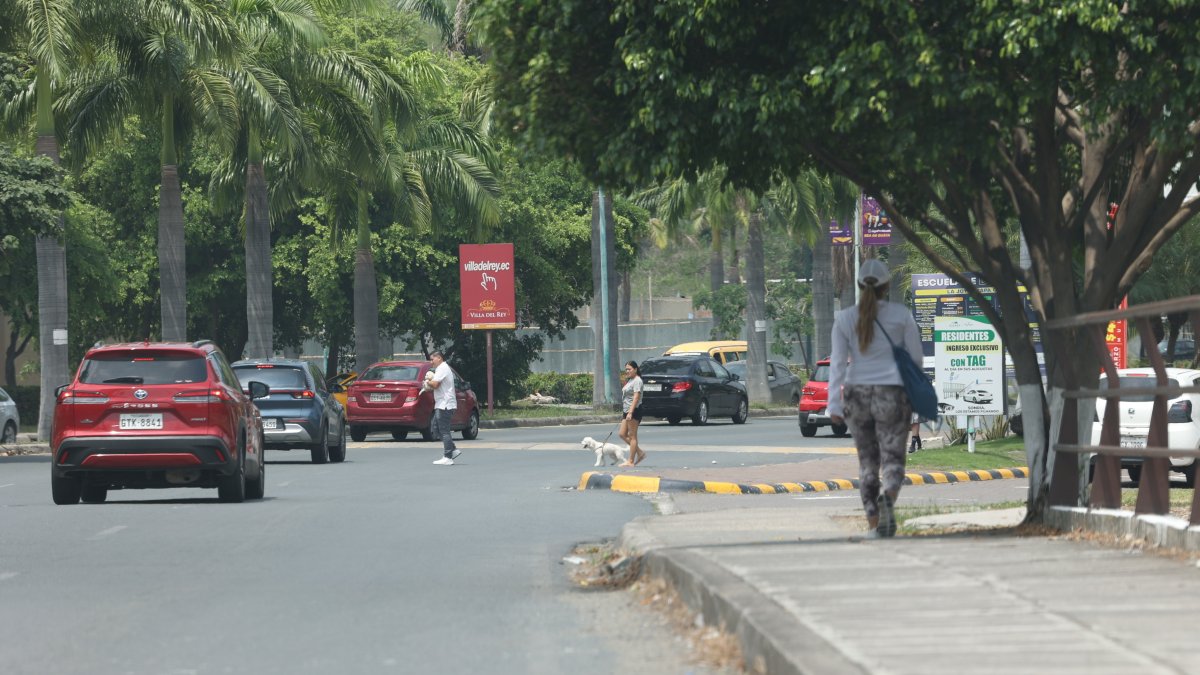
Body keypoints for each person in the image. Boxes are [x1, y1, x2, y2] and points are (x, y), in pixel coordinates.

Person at [827, 258, 923, 537]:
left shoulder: (844, 319)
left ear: (859, 286)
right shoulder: (902, 316)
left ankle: (872, 523)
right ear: (886, 286)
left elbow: (837, 365)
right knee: (893, 459)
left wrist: (833, 405)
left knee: (868, 462)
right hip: (892, 394)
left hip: (857, 395)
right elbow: (916, 360)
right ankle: (889, 496)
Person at [427, 351, 461, 466]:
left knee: (444, 430)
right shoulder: (441, 368)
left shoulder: (442, 368)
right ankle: (453, 450)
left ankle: (448, 457)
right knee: (436, 429)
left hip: (445, 404)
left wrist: (427, 382)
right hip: (441, 403)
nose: (431, 362)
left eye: (432, 359)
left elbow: (435, 384)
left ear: (439, 358)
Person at [618, 361, 645, 466]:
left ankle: (630, 461)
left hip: (634, 410)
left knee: (632, 436)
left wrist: (630, 412)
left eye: (629, 369)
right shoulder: (630, 380)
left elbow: (636, 397)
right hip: (626, 410)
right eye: (626, 369)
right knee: (622, 434)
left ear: (635, 369)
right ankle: (639, 452)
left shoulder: (637, 381)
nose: (627, 371)